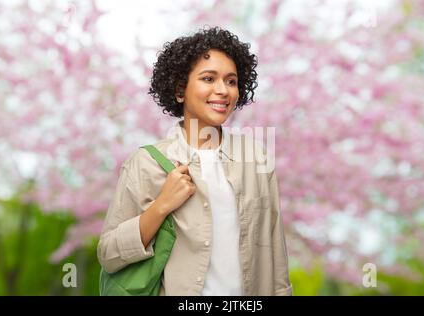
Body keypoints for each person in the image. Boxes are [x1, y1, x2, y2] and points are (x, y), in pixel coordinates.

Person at [97, 26, 292, 296]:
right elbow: (109, 253)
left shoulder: (256, 160)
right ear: (180, 90)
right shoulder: (145, 164)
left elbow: (275, 257)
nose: (222, 90)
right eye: (208, 79)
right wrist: (161, 206)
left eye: (231, 81)